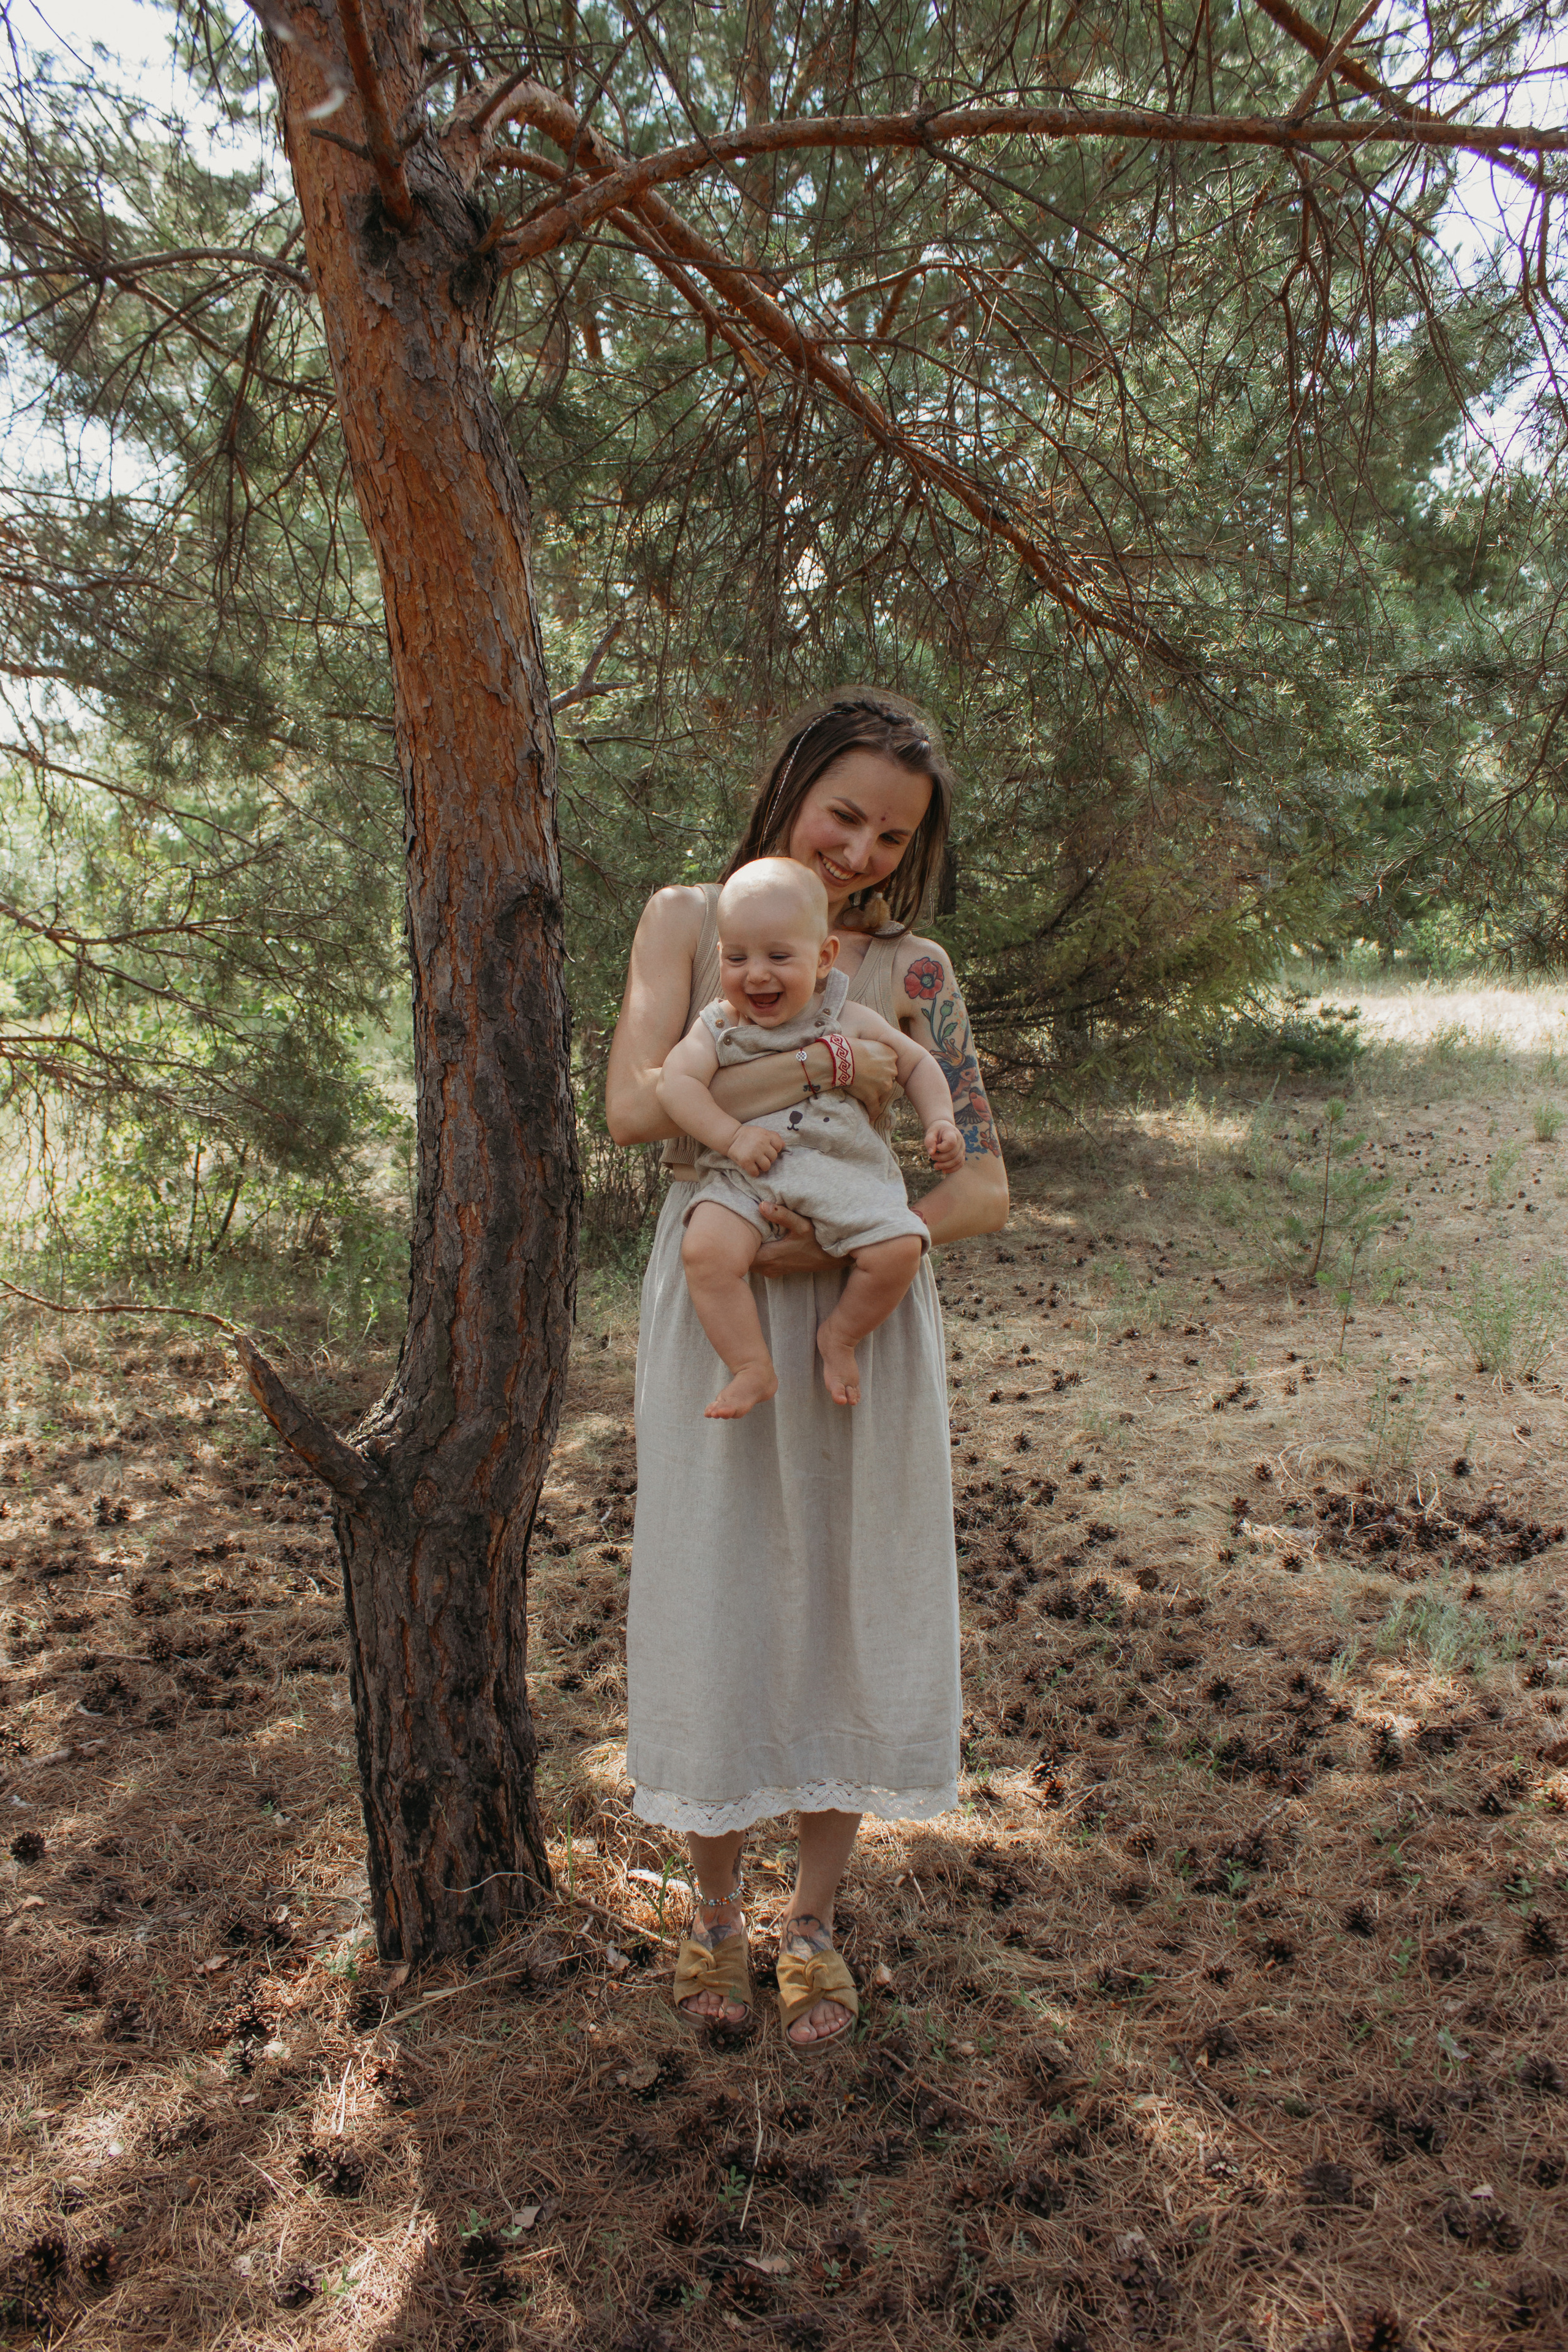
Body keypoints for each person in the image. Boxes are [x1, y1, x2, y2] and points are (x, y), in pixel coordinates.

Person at [605, 688, 1008, 2054]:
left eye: (892, 836)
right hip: (717, 1299)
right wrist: (801, 1092)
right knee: (718, 1576)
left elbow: (987, 1190)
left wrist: (843, 1242)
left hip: (855, 1310)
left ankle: (814, 1926)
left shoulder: (919, 975)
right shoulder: (688, 919)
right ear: (790, 785)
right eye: (844, 813)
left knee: (847, 1584)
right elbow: (626, 1105)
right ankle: (714, 1920)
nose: (859, 850)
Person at [656, 858, 963, 1417]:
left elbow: (917, 1063)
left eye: (778, 956)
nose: (756, 975)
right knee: (703, 1250)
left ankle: (839, 1336)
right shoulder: (719, 1024)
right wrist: (731, 1137)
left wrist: (940, 1120)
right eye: (737, 957)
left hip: (842, 1177)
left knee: (901, 1247)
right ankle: (752, 1365)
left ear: (823, 959)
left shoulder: (849, 1016)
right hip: (747, 1179)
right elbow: (675, 1087)